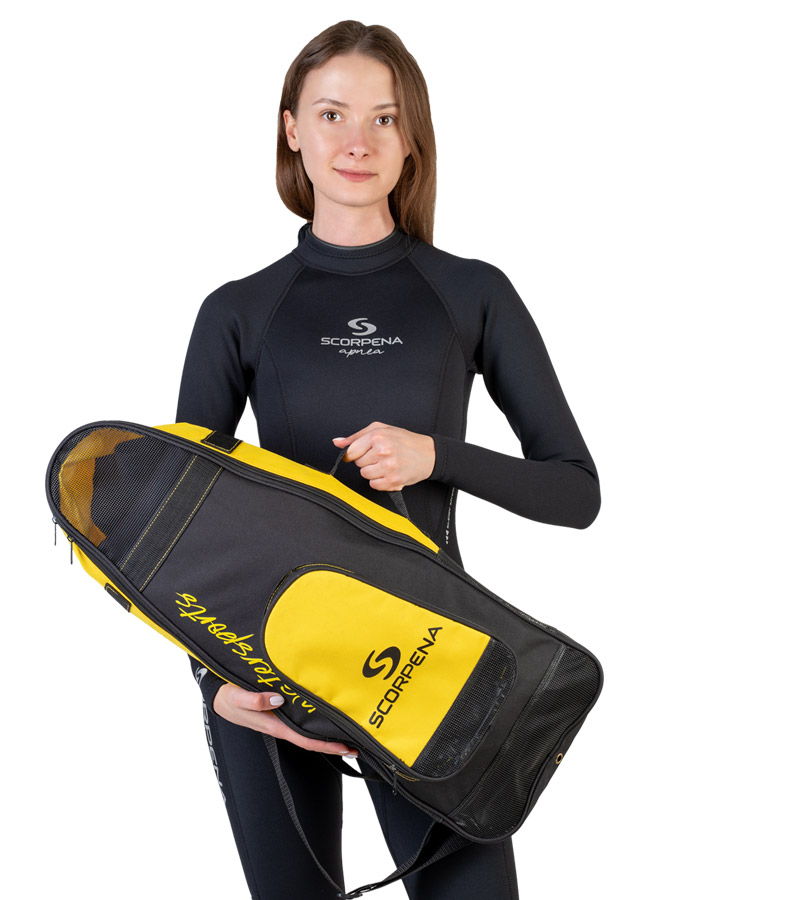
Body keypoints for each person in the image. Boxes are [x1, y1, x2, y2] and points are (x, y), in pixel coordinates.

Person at [175, 20, 600, 900]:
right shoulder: (237, 311)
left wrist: (436, 455)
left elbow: (574, 491)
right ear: (292, 129)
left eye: (385, 118)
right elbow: (178, 526)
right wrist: (216, 682)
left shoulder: (472, 292)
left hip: (432, 665)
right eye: (332, 114)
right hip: (269, 674)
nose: (357, 142)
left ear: (413, 139)